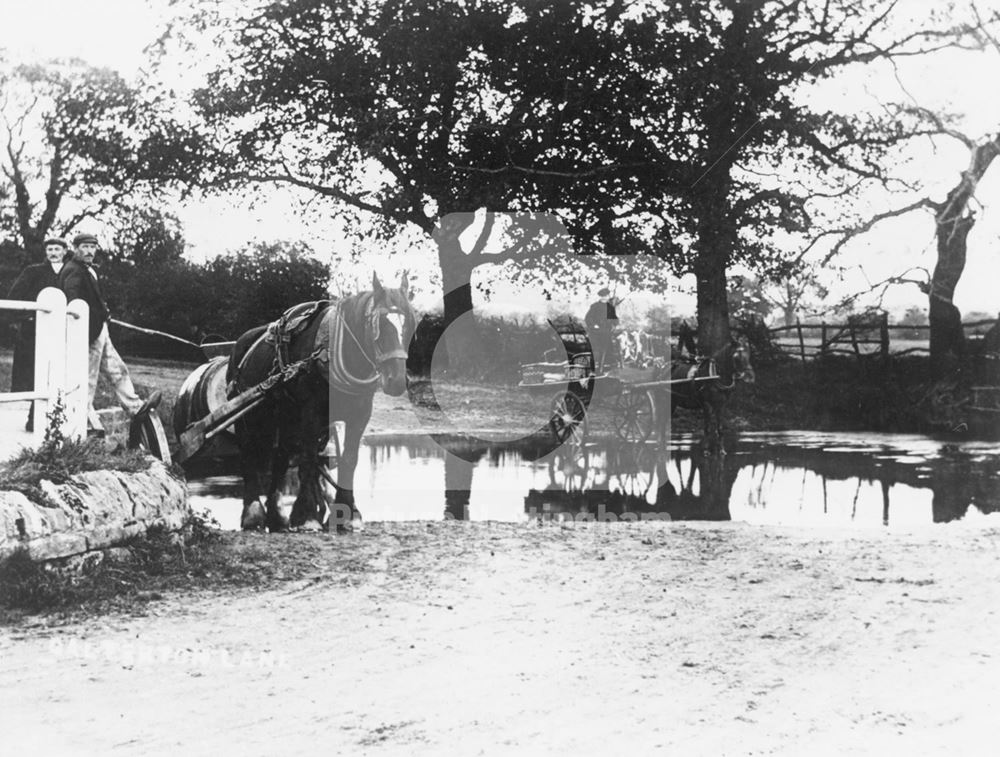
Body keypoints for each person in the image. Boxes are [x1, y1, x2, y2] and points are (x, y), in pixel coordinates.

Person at [58, 232, 160, 434]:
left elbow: (93, 299)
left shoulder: (88, 270)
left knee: (116, 368)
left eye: (92, 247)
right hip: (87, 332)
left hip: (99, 329)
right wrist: (86, 326)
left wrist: (104, 312)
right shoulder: (73, 270)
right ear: (76, 248)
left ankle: (134, 406)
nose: (89, 251)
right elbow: (73, 301)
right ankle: (82, 421)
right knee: (88, 377)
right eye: (85, 247)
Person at [5, 238, 70, 431]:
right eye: (50, 249)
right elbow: (15, 295)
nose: (53, 253)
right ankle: (35, 418)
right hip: (34, 332)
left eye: (57, 249)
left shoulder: (71, 272)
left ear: (65, 251)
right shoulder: (33, 271)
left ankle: (57, 420)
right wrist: (27, 317)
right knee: (37, 373)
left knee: (59, 373)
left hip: (62, 331)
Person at [584, 287, 620, 373]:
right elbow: (588, 318)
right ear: (600, 297)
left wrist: (614, 324)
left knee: (608, 346)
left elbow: (614, 319)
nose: (605, 297)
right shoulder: (595, 306)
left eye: (607, 295)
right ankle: (598, 365)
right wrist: (594, 325)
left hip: (607, 331)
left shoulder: (610, 307)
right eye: (603, 296)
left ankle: (606, 365)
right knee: (597, 348)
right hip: (596, 332)